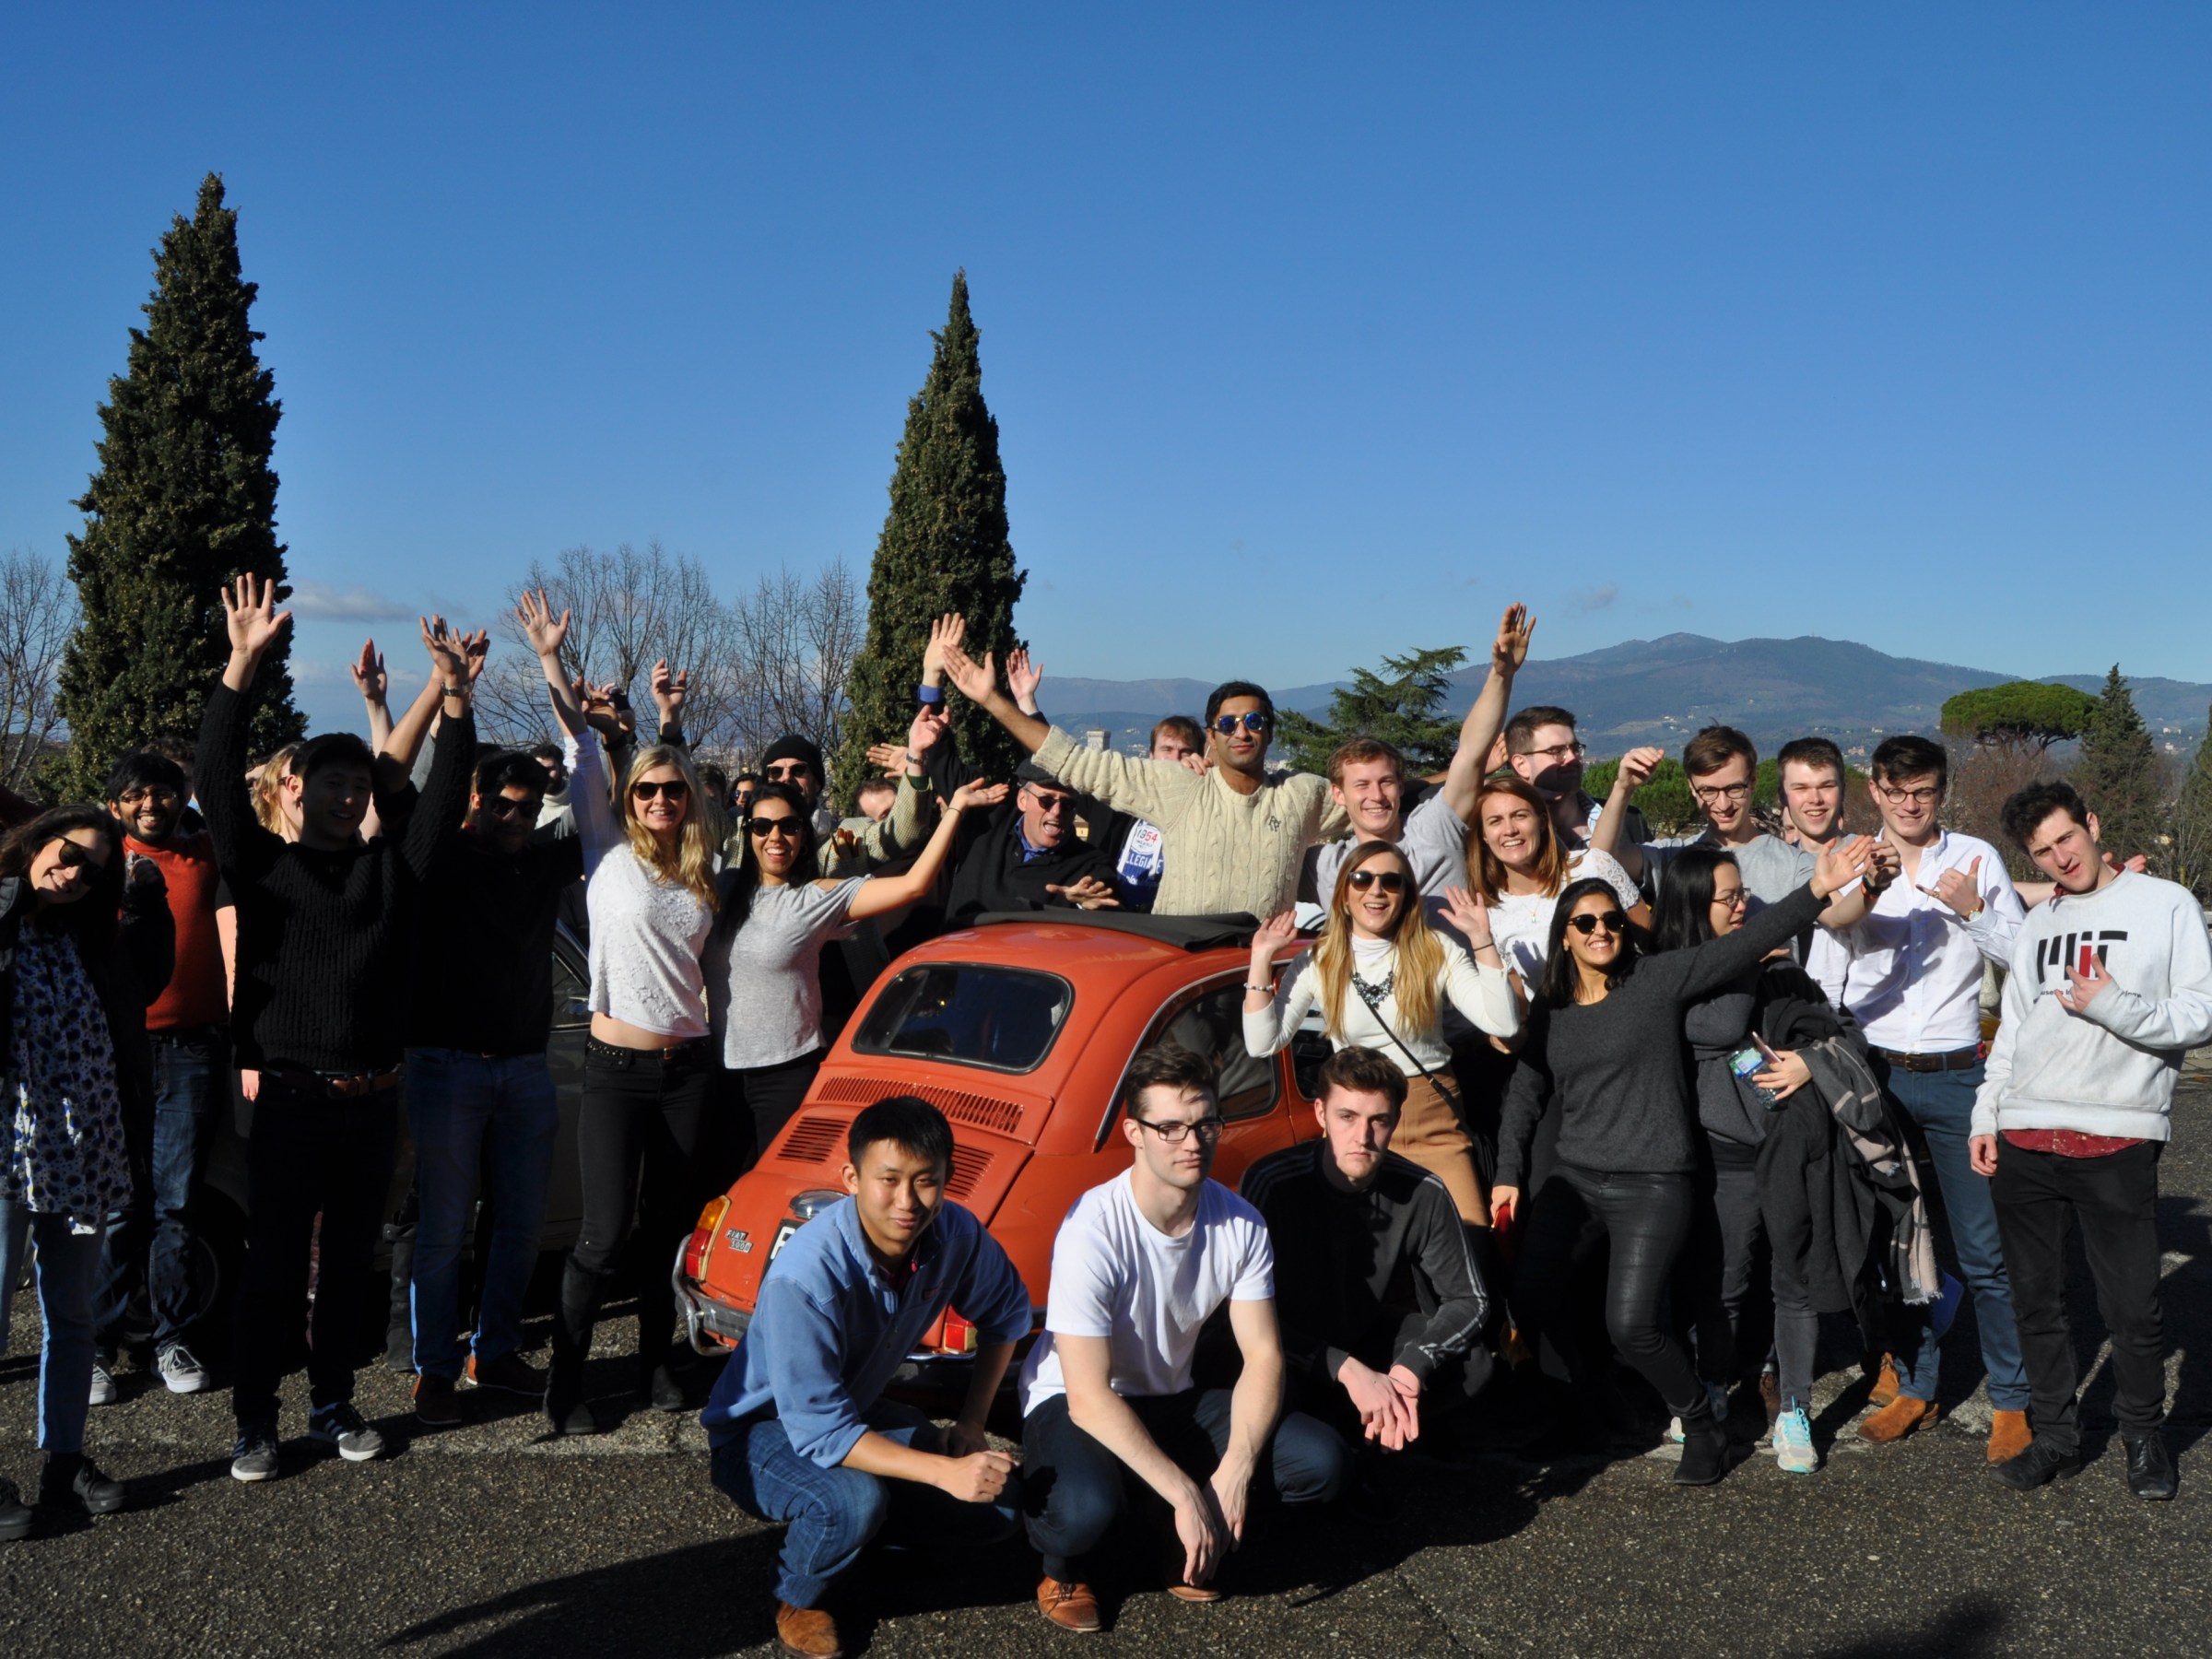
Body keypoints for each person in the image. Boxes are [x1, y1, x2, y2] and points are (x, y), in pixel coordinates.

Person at [1490, 834, 1875, 1484]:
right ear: (1565, 936)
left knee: (1633, 1324)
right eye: (1585, 922)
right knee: (1530, 1293)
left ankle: (1700, 1418)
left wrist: (1818, 888)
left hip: (1652, 1180)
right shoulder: (1553, 1011)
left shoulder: (1654, 980)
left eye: (1612, 919)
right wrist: (1506, 1174)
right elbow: (1526, 1093)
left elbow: (1744, 943)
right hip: (1577, 1178)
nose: (1602, 930)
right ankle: (1594, 1404)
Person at [207, 582, 477, 1483]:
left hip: (373, 1104)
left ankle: (330, 1407)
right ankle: (255, 1423)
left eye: (359, 784)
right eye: (333, 781)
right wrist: (242, 666)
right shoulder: (265, 870)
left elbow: (439, 805)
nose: (347, 794)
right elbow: (214, 779)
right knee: (274, 1268)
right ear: (298, 789)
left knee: (349, 1273)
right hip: (288, 1102)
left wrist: (457, 701)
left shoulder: (390, 876)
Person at [1019, 1045, 1346, 1630]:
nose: (1192, 1142)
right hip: (1075, 1402)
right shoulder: (1092, 1229)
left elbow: (1264, 1356)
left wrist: (1235, 1472)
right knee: (1083, 1510)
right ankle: (1062, 1564)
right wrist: (1188, 1494)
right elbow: (1089, 1397)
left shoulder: (1241, 1223)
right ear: (1134, 1134)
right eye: (1168, 1127)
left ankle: (1172, 1537)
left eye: (1204, 1124)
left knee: (1318, 1461)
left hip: (1172, 1394)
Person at [699, 1097, 1033, 1658]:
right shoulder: (805, 1278)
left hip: (849, 1409)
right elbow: (821, 1433)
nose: (908, 1201)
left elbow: (1008, 1316)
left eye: (926, 1181)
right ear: (852, 1177)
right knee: (851, 1502)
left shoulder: (956, 1232)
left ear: (948, 1178)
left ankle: (855, 1543)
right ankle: (797, 1596)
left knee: (999, 1509)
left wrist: (972, 1424)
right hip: (760, 1429)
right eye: (889, 1180)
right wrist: (940, 1473)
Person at [517, 590, 723, 1434]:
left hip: (687, 1071)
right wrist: (550, 660)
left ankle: (655, 1364)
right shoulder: (606, 850)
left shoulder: (704, 867)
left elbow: (666, 763)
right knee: (602, 1234)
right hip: (617, 1070)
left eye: (673, 794)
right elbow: (579, 738)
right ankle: (567, 1379)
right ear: (628, 800)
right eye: (648, 794)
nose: (660, 804)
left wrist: (670, 726)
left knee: (667, 1231)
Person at [1972, 782, 2212, 1499]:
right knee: (2037, 1301)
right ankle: (2057, 1436)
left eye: (2066, 839)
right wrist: (1988, 1116)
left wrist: (2110, 1004)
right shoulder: (2040, 923)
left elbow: (2200, 1013)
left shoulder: (2165, 903)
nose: (2060, 858)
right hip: (2024, 1135)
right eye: (2042, 852)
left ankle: (2144, 1436)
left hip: (2117, 1135)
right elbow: (2014, 1030)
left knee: (2132, 1306)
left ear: (2093, 826)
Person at [1824, 735, 2033, 1464]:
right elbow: (1830, 946)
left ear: (1941, 792)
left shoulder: (1975, 857)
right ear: (1875, 789)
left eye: (1925, 791)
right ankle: (1917, 1383)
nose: (1911, 804)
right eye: (1897, 790)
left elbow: (2024, 957)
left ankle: (2011, 1401)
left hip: (1955, 1072)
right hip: (1874, 1071)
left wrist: (1976, 910)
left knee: (1982, 1249)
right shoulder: (1851, 859)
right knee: (1895, 1244)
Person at [1651, 845, 1888, 1472]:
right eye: (1728, 897)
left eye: (1744, 894)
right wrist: (1754, 957)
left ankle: (1795, 1410)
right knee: (1723, 1286)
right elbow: (1723, 1022)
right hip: (1724, 1158)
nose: (1742, 906)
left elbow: (1846, 1034)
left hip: (1795, 1151)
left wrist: (1813, 1062)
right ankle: (1710, 1391)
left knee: (1795, 1286)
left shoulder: (1779, 969)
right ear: (1691, 907)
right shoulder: (1673, 975)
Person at [403, 745, 589, 1427]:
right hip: (446, 1064)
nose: (513, 817)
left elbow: (603, 810)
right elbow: (421, 793)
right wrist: (452, 698)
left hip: (525, 1064)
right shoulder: (439, 859)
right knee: (446, 1230)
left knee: (520, 1225)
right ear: (476, 799)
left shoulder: (541, 859)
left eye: (527, 808)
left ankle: (497, 1350)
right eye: (500, 804)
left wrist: (602, 732)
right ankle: (435, 1371)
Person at [0, 806, 171, 1536]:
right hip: (7, 1150)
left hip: (87, 1145)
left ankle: (63, 1460)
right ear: (37, 842)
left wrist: (149, 896)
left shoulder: (96, 939)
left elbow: (150, 981)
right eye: (65, 854)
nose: (70, 875)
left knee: (72, 1316)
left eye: (90, 870)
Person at [707, 771, 1006, 1166]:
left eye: (789, 826)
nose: (775, 838)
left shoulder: (816, 897)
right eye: (762, 826)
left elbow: (913, 884)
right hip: (718, 1071)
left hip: (786, 1075)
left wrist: (954, 809)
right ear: (748, 832)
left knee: (776, 1186)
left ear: (804, 834)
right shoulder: (723, 889)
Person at [938, 635, 1347, 920]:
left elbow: (1373, 803)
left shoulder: (1302, 794)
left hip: (1262, 979)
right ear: (1213, 736)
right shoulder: (1179, 788)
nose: (1241, 731)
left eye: (1254, 721)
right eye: (1229, 722)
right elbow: (1074, 763)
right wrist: (993, 700)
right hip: (1182, 970)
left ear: (1270, 731)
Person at [1239, 1047, 1492, 1482]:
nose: (1363, 1136)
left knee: (1474, 1361)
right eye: (1347, 1117)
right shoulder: (1273, 1183)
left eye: (1379, 1120)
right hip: (1288, 1344)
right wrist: (1343, 1368)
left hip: (1368, 1334)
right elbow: (1235, 1313)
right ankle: (1342, 1445)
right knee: (1267, 1376)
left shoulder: (1422, 1190)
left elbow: (1470, 1299)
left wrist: (1413, 1365)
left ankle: (1378, 1438)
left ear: (1395, 1121)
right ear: (1320, 1113)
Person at [1243, 841, 1519, 1224]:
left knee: (1468, 1241)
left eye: (1391, 881)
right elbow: (1262, 1044)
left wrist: (1481, 940)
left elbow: (1503, 1023)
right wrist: (1261, 959)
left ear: (1406, 896)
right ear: (1343, 894)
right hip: (1357, 1126)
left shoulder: (1434, 949)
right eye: (1362, 879)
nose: (1376, 890)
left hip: (1431, 1119)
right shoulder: (1318, 959)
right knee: (1361, 1260)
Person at [89, 751, 229, 1402]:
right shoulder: (95, 861)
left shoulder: (205, 849)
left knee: (176, 1206)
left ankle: (170, 1342)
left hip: (193, 1050)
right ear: (115, 803)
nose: (151, 804)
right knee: (117, 1207)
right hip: (115, 1051)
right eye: (136, 794)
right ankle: (97, 1344)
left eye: (164, 792)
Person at [1304, 605, 1535, 946]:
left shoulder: (1433, 828)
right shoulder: (1323, 864)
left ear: (1400, 785)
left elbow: (1471, 753)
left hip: (1451, 994)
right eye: (1362, 785)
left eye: (1385, 782)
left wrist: (1502, 676)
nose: (1376, 796)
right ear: (1339, 794)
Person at [1467, 773, 1648, 989]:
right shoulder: (1489, 911)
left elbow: (1647, 939)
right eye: (1495, 821)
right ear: (1484, 835)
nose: (1509, 830)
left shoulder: (1594, 866)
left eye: (1520, 816)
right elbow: (1520, 1001)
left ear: (1542, 822)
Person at [1503, 705, 1650, 853]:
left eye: (1575, 748)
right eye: (1556, 751)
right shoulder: (1511, 835)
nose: (1573, 758)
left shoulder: (1629, 820)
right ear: (1521, 765)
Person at [1110, 717, 1202, 912]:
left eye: (1186, 752)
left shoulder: (1207, 815)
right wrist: (1028, 705)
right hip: (1115, 922)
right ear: (1151, 755)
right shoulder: (1122, 804)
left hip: (1170, 927)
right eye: (1166, 750)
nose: (1176, 759)